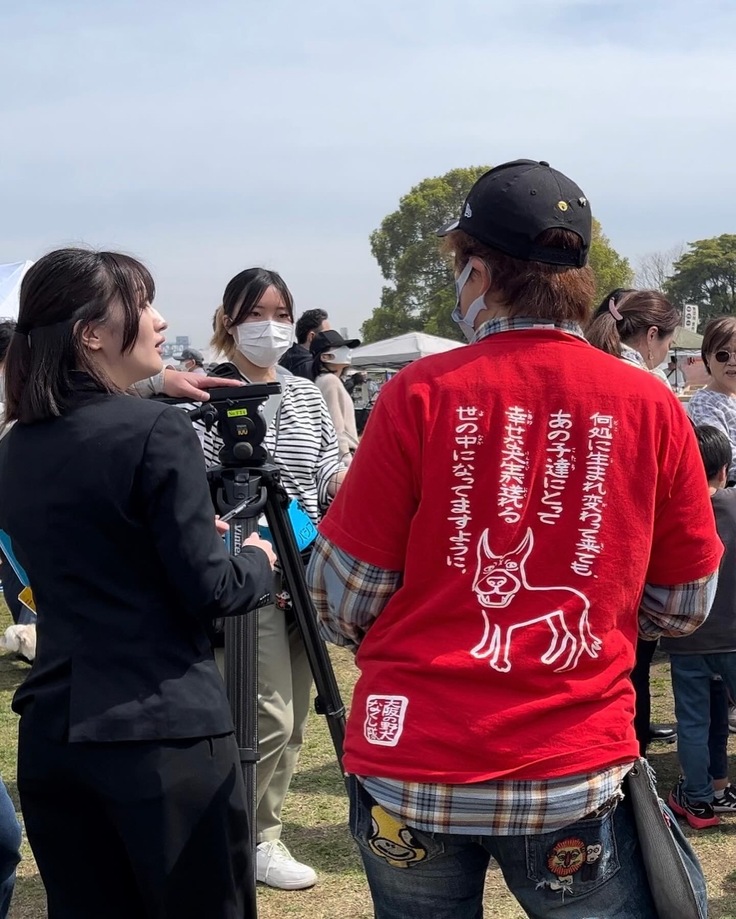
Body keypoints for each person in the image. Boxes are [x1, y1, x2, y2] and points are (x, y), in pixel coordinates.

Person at [307, 159, 721, 919]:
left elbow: (341, 599)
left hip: (412, 759)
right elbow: (684, 603)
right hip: (569, 765)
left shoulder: (417, 394)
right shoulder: (650, 404)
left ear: (477, 271)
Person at [0, 248, 276, 919]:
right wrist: (257, 559)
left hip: (55, 731)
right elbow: (209, 588)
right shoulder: (153, 431)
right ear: (91, 333)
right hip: (163, 731)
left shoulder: (16, 444)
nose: (160, 320)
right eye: (143, 304)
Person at [208, 268, 344, 890]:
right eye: (256, 314)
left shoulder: (306, 393)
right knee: (265, 716)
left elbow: (326, 470)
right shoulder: (207, 394)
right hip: (244, 567)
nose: (271, 326)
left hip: (304, 564)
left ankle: (264, 835)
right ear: (229, 321)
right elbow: (198, 482)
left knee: (295, 722)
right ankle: (231, 837)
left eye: (281, 314)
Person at [585, 287, 681, 753]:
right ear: (653, 334)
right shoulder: (649, 387)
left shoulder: (587, 368)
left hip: (584, 536)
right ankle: (632, 748)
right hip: (630, 541)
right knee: (632, 659)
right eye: (669, 343)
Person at [661, 425, 736, 828]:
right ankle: (717, 790)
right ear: (724, 470)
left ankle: (699, 798)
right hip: (733, 638)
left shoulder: (669, 511)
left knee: (692, 722)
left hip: (686, 639)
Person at [688, 315, 736, 484]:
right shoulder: (704, 402)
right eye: (723, 355)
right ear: (708, 358)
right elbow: (725, 459)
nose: (732, 361)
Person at [310, 329, 362, 465]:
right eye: (340, 347)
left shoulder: (326, 380)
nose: (346, 350)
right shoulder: (330, 381)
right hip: (343, 457)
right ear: (325, 356)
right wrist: (345, 458)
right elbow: (335, 425)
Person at [280, 307, 330, 380]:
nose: (330, 338)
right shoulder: (312, 366)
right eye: (327, 334)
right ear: (312, 336)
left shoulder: (283, 359)